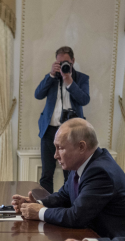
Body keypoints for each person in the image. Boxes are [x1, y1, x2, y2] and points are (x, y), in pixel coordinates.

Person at [12, 118, 125, 239]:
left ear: (81, 147)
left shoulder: (100, 171)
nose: (55, 155)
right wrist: (37, 203)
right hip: (96, 238)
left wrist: (40, 212)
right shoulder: (83, 164)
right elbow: (63, 196)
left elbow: (76, 217)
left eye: (60, 148)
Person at [35, 46, 90, 193]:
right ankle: (44, 209)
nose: (63, 65)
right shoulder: (52, 78)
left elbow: (84, 99)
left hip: (71, 134)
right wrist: (52, 75)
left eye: (66, 62)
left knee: (71, 174)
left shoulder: (82, 78)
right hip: (49, 131)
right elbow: (38, 94)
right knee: (46, 174)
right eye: (59, 63)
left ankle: (70, 209)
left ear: (73, 61)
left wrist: (69, 81)